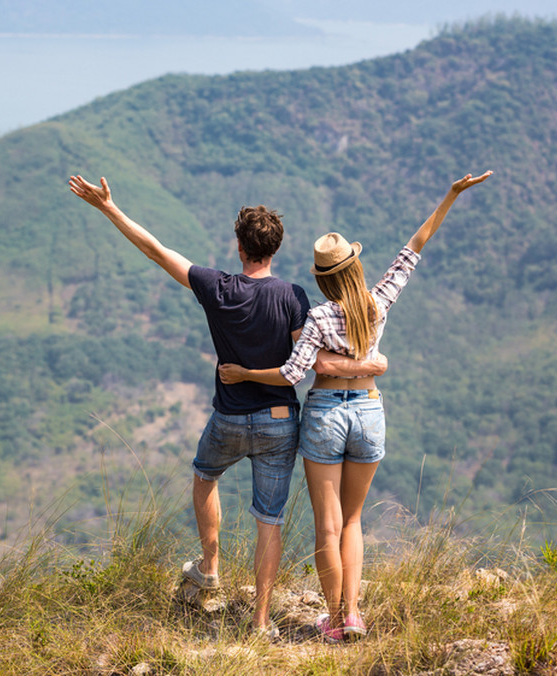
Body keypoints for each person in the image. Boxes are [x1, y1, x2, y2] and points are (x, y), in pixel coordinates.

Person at [67, 174, 387, 638]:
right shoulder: (295, 296)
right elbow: (309, 361)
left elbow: (157, 250)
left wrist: (109, 209)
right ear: (275, 249)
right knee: (269, 521)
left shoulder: (215, 288)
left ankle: (210, 567)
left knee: (204, 474)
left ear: (240, 247)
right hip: (281, 421)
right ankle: (260, 622)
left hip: (229, 417)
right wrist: (370, 364)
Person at [219, 171, 493, 642]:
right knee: (353, 521)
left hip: (325, 413)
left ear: (323, 279)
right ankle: (354, 615)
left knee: (326, 526)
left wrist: (242, 374)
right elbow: (414, 248)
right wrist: (450, 194)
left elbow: (291, 374)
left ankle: (331, 619)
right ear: (355, 268)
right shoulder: (377, 304)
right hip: (368, 411)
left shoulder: (319, 316)